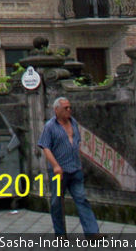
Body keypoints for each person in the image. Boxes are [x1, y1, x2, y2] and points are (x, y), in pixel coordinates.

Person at [38, 97, 100, 237]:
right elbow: (45, 147)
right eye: (65, 108)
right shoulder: (50, 126)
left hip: (75, 168)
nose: (69, 110)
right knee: (57, 203)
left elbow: (76, 142)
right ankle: (60, 234)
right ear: (56, 110)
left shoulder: (73, 123)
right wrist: (55, 166)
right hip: (60, 171)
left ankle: (92, 233)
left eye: (69, 107)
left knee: (82, 199)